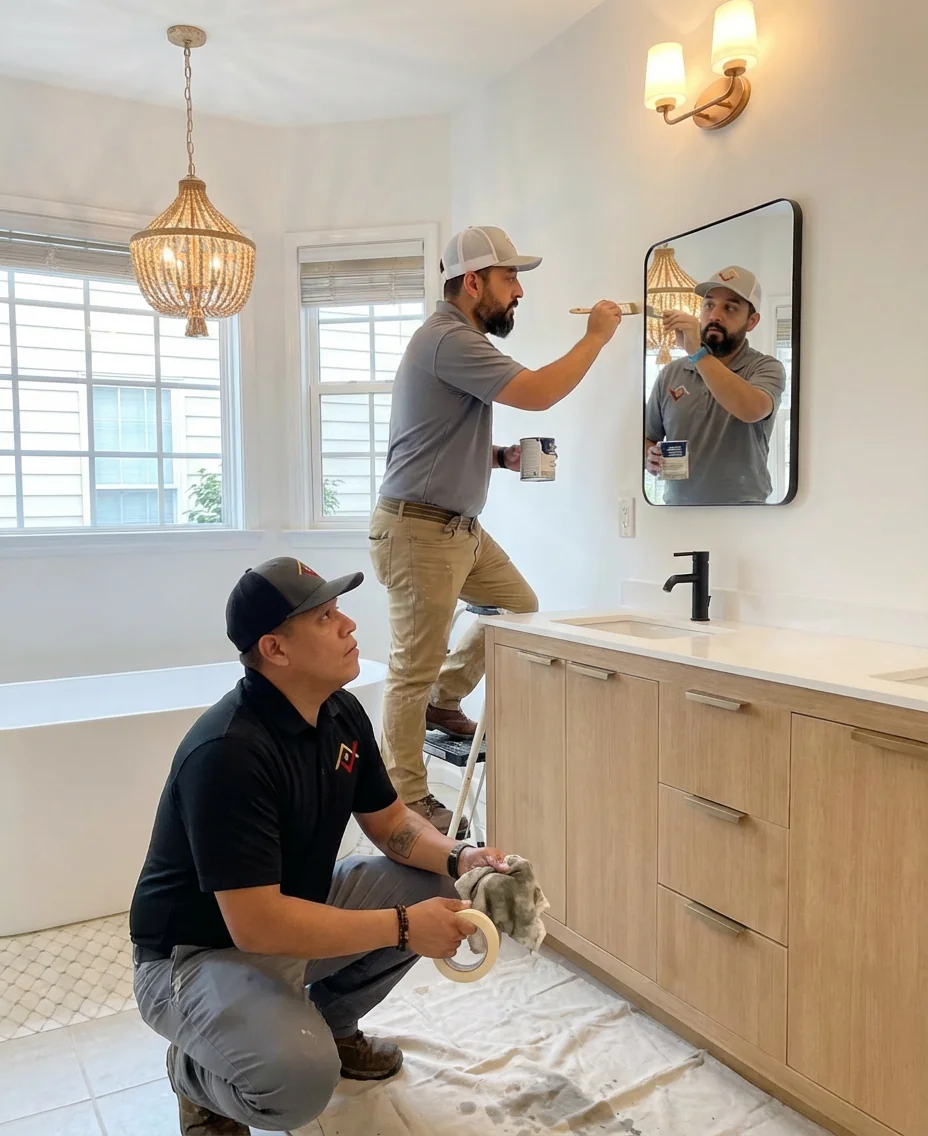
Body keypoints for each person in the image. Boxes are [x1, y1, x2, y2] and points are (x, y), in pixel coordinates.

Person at [129, 557, 511, 1136]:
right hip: (194, 953)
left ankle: (332, 1024)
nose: (349, 625)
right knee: (301, 1082)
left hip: (287, 912)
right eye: (325, 617)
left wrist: (462, 858)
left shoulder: (339, 712)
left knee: (436, 883)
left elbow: (390, 821)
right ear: (275, 650)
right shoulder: (229, 753)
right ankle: (195, 1076)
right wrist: (403, 927)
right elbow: (256, 926)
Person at [372, 225, 624, 834]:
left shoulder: (454, 342)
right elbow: (537, 393)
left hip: (456, 529)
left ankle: (445, 698)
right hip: (420, 530)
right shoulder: (449, 338)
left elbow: (429, 438)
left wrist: (498, 457)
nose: (519, 292)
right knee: (411, 668)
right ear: (472, 281)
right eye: (510, 278)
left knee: (518, 607)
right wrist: (596, 336)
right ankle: (406, 801)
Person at [645, 266, 787, 505]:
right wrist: (650, 457)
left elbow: (751, 409)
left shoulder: (766, 368)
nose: (714, 316)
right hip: (677, 511)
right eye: (709, 305)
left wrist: (697, 353)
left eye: (730, 308)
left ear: (751, 321)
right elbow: (649, 437)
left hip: (746, 512)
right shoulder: (671, 373)